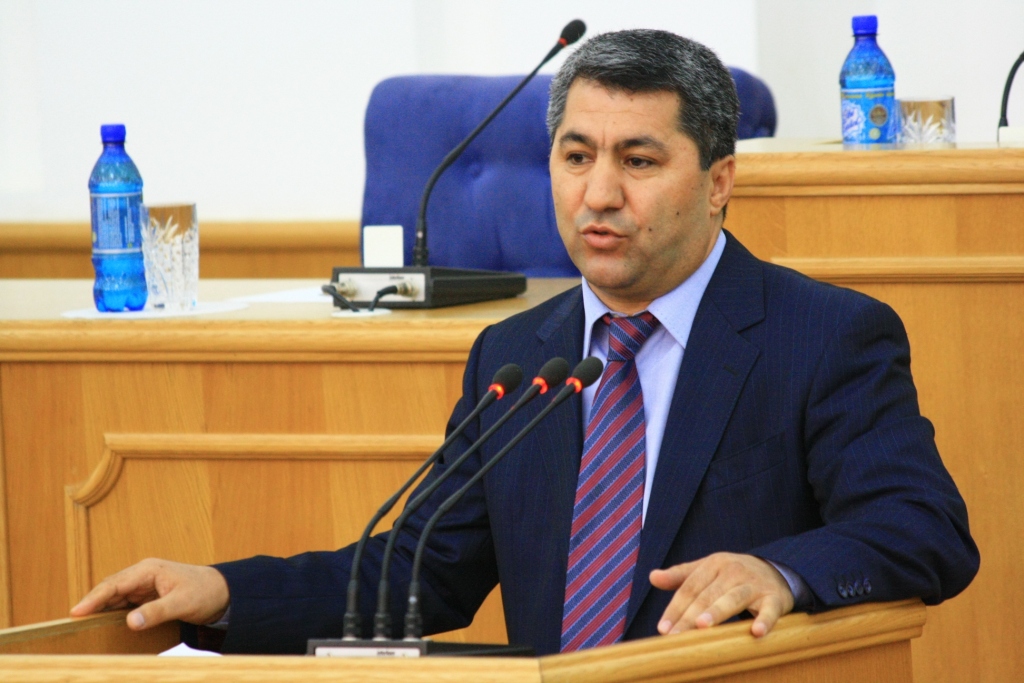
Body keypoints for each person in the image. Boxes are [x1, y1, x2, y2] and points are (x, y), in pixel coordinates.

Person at [71, 29, 979, 655]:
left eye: (639, 160)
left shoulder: (823, 336)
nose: (599, 194)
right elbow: (425, 570)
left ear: (719, 182)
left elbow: (924, 529)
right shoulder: (519, 359)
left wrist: (778, 569)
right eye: (577, 156)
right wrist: (223, 591)